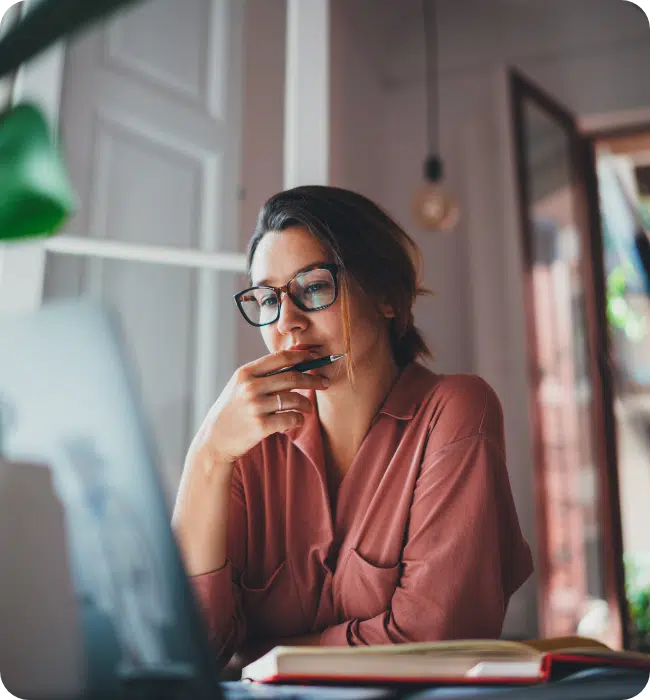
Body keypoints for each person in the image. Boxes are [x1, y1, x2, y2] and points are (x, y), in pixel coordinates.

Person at [171, 185, 534, 668]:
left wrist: (262, 654)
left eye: (314, 287)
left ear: (386, 296)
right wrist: (208, 455)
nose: (288, 324)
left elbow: (433, 639)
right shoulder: (245, 445)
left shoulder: (456, 411)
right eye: (266, 300)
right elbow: (189, 649)